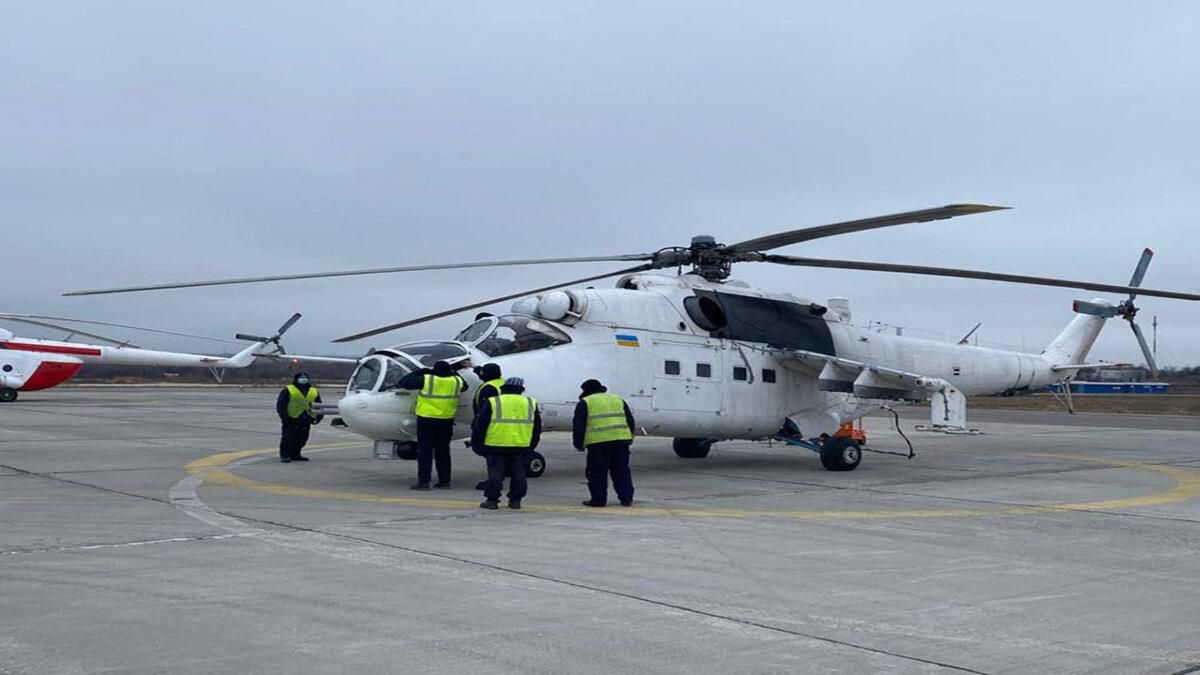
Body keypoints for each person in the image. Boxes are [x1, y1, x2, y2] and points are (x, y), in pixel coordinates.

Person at [472, 377, 542, 510]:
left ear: (504, 388)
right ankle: (515, 501)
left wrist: (477, 444)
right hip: (520, 444)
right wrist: (532, 445)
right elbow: (537, 427)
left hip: (495, 443)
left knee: (495, 473)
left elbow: (480, 425)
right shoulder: (530, 402)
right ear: (521, 389)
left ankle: (492, 500)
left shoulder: (494, 402)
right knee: (518, 473)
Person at [398, 360, 466, 489]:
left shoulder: (427, 379)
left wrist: (422, 371)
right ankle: (445, 481)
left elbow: (404, 382)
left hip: (427, 420)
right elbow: (465, 385)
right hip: (447, 420)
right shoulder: (456, 381)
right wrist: (454, 370)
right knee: (443, 451)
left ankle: (424, 482)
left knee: (425, 452)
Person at [573, 379, 635, 507]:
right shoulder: (618, 399)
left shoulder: (586, 402)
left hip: (598, 443)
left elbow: (579, 425)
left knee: (597, 473)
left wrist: (578, 444)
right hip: (621, 442)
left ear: (586, 391)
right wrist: (629, 438)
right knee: (621, 472)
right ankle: (626, 499)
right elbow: (630, 420)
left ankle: (599, 500)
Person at [471, 363, 506, 490]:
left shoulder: (488, 388)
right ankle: (499, 476)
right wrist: (473, 367)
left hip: (491, 426)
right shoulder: (502, 383)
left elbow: (484, 410)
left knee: (492, 457)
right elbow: (485, 375)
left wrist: (477, 426)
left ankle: (494, 481)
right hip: (503, 424)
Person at [276, 372, 322, 463]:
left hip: (306, 418)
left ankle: (296, 454)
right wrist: (284, 416)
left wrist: (319, 416)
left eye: (305, 377)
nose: (304, 379)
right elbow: (281, 405)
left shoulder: (313, 390)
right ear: (296, 379)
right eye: (301, 377)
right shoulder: (288, 389)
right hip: (291, 418)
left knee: (302, 438)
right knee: (288, 438)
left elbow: (318, 404)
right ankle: (285, 455)